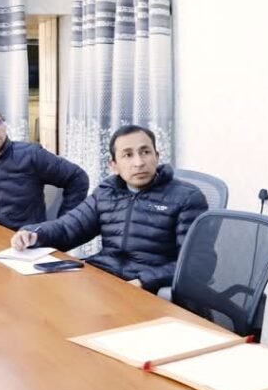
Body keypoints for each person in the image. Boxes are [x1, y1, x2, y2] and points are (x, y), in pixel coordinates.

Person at [11, 125, 208, 292]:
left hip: (147, 288)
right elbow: (68, 228)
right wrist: (34, 234)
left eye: (145, 152)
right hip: (104, 279)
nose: (139, 162)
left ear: (157, 156)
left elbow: (198, 264)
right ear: (114, 165)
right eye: (128, 155)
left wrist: (144, 281)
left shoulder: (187, 198)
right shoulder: (107, 193)